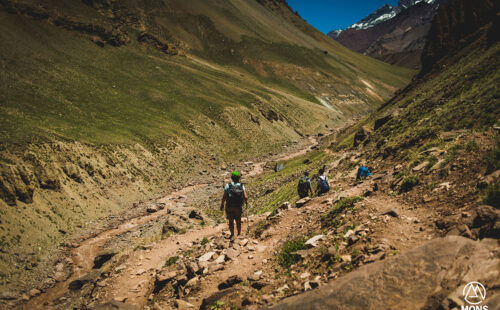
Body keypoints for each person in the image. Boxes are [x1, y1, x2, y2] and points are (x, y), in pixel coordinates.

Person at [220, 171, 248, 239]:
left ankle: (232, 234)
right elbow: (246, 197)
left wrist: (222, 205)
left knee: (231, 220)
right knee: (238, 220)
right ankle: (238, 234)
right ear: (238, 178)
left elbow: (224, 197)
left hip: (229, 206)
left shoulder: (228, 185)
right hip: (238, 206)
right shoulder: (241, 186)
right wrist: (246, 203)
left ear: (232, 178)